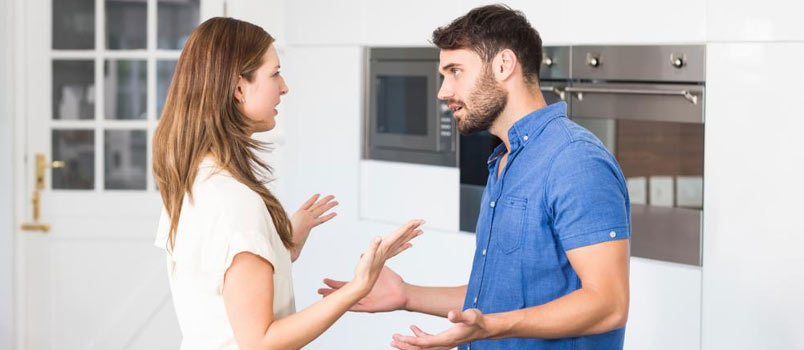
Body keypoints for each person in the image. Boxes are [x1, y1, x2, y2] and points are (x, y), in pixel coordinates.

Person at [318, 5, 631, 350]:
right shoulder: (505, 160)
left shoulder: (575, 160)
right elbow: (498, 296)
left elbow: (608, 305)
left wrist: (490, 327)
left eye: (455, 71)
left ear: (503, 65)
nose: (443, 91)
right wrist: (406, 295)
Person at [152, 17, 423, 350]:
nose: (284, 87)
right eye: (274, 73)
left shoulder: (193, 179)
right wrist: (359, 285)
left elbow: (224, 279)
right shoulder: (236, 203)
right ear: (239, 88)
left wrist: (281, 244)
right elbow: (261, 342)